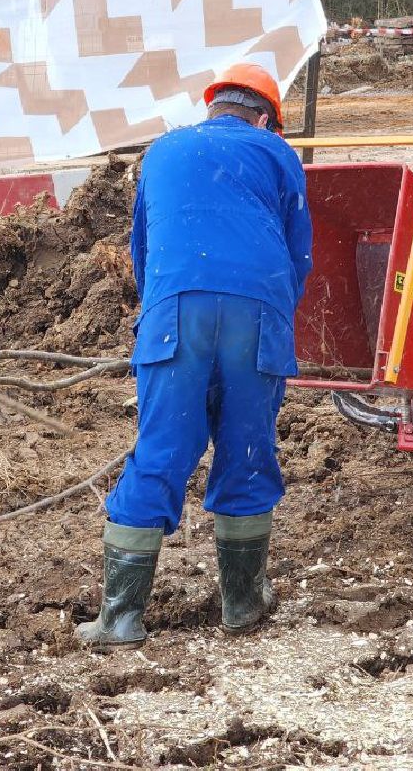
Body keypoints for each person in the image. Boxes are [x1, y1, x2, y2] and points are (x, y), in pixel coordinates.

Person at [76, 62, 313, 647]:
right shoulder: (277, 154)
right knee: (248, 449)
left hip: (174, 315)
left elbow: (143, 249)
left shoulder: (160, 151)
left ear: (212, 107)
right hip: (256, 317)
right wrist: (278, 316)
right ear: (264, 119)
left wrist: (161, 311)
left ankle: (121, 618)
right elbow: (297, 253)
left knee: (159, 452)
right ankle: (242, 604)